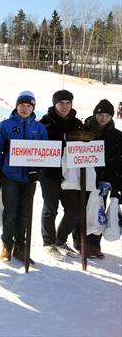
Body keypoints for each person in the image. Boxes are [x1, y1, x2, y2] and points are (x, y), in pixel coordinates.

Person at [0, 91, 47, 265]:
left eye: (29, 106)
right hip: (10, 175)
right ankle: (6, 245)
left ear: (33, 108)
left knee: (24, 214)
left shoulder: (39, 128)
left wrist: (40, 170)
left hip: (29, 178)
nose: (25, 109)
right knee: (10, 212)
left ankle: (20, 247)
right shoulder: (6, 125)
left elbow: (45, 153)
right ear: (16, 106)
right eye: (22, 105)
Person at [72, 99, 122, 258]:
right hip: (84, 177)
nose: (103, 118)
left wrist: (110, 180)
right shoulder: (83, 129)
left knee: (98, 211)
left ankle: (94, 242)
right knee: (82, 209)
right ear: (95, 114)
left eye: (107, 115)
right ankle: (80, 241)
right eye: (100, 114)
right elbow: (74, 152)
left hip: (103, 180)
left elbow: (117, 160)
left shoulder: (116, 135)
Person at [39, 89, 84, 260]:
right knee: (51, 208)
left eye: (67, 103)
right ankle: (48, 242)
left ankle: (60, 240)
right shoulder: (45, 122)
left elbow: (86, 146)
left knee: (73, 210)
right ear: (54, 104)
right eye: (61, 103)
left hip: (70, 174)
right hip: (50, 173)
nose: (64, 106)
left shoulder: (77, 123)